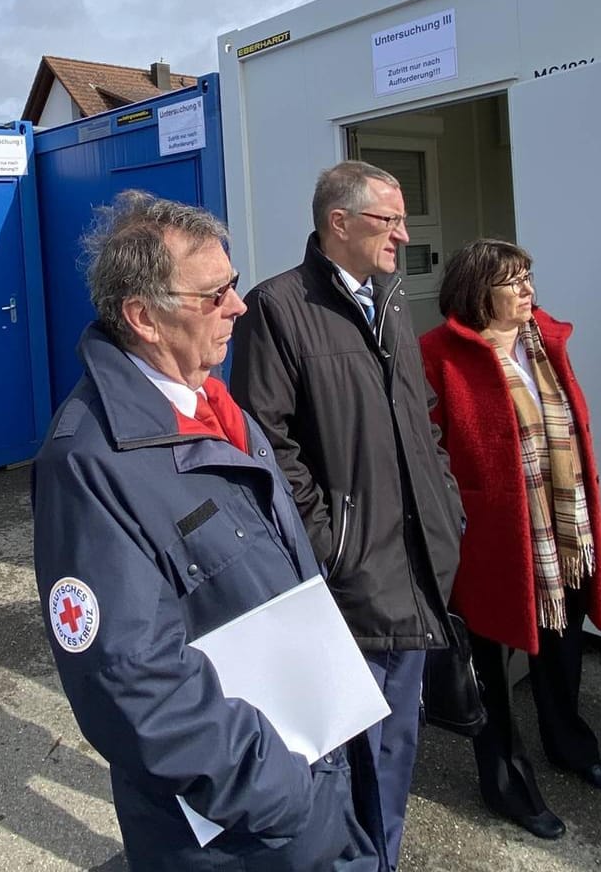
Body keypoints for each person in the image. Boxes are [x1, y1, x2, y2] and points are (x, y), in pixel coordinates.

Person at [33, 191, 379, 872]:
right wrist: (283, 792)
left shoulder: (221, 409)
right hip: (244, 826)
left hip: (314, 779)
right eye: (214, 294)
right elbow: (131, 683)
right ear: (145, 318)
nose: (238, 307)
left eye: (234, 284)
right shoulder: (89, 462)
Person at [230, 161, 464, 871]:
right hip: (352, 576)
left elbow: (420, 417)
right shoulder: (278, 306)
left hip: (416, 562)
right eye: (387, 219)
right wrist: (330, 544)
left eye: (401, 219)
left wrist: (446, 500)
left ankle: (379, 862)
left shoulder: (393, 297)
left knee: (397, 749)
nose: (403, 232)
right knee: (348, 754)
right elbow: (266, 441)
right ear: (339, 222)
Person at [417, 240, 601, 842]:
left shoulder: (546, 345)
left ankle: (571, 745)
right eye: (513, 281)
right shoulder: (439, 355)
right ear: (479, 291)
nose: (528, 289)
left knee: (563, 648)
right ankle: (506, 782)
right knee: (490, 669)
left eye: (529, 277)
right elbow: (428, 453)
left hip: (561, 532)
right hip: (489, 542)